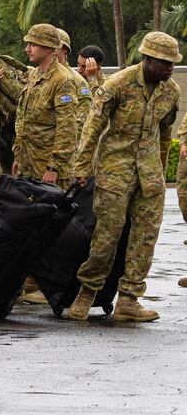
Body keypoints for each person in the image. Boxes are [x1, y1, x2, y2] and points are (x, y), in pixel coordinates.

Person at [66, 32, 182, 322]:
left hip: (150, 176)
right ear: (147, 59)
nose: (170, 68)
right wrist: (81, 168)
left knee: (144, 239)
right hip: (115, 172)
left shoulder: (171, 92)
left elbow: (165, 134)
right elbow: (92, 129)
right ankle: (87, 293)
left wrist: (161, 166)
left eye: (173, 63)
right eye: (165, 62)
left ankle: (129, 299)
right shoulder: (118, 85)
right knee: (106, 238)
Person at [9, 23, 82, 189]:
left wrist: (53, 167)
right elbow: (23, 118)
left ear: (49, 49)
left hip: (48, 171)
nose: (27, 49)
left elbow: (67, 129)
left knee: (54, 214)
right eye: (28, 44)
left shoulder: (62, 80)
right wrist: (18, 157)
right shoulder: (34, 75)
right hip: (27, 165)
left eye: (33, 45)